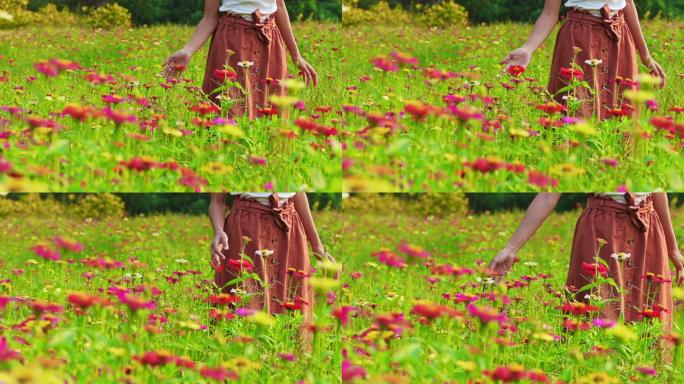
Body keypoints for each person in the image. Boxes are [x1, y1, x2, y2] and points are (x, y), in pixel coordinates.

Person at [489, 193, 683, 329]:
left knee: (651, 325)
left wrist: (673, 249)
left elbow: (658, 189)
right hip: (601, 231)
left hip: (649, 230)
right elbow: (549, 194)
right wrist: (511, 248)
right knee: (597, 318)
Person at [501, 0, 666, 120]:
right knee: (575, 108)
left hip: (619, 37)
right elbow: (550, 13)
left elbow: (628, 3)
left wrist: (645, 55)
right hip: (579, 38)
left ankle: (616, 167)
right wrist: (528, 48)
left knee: (622, 114)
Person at [163, 0, 318, 119]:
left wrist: (296, 54)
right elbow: (210, 17)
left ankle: (266, 158)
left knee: (271, 111)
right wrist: (188, 50)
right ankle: (219, 155)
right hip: (231, 42)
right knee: (226, 108)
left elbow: (280, 8)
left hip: (269, 42)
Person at [208, 192, 336, 325]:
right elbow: (217, 202)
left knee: (294, 308)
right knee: (244, 306)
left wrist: (317, 246)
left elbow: (298, 193)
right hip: (245, 229)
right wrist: (218, 230)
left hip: (290, 229)